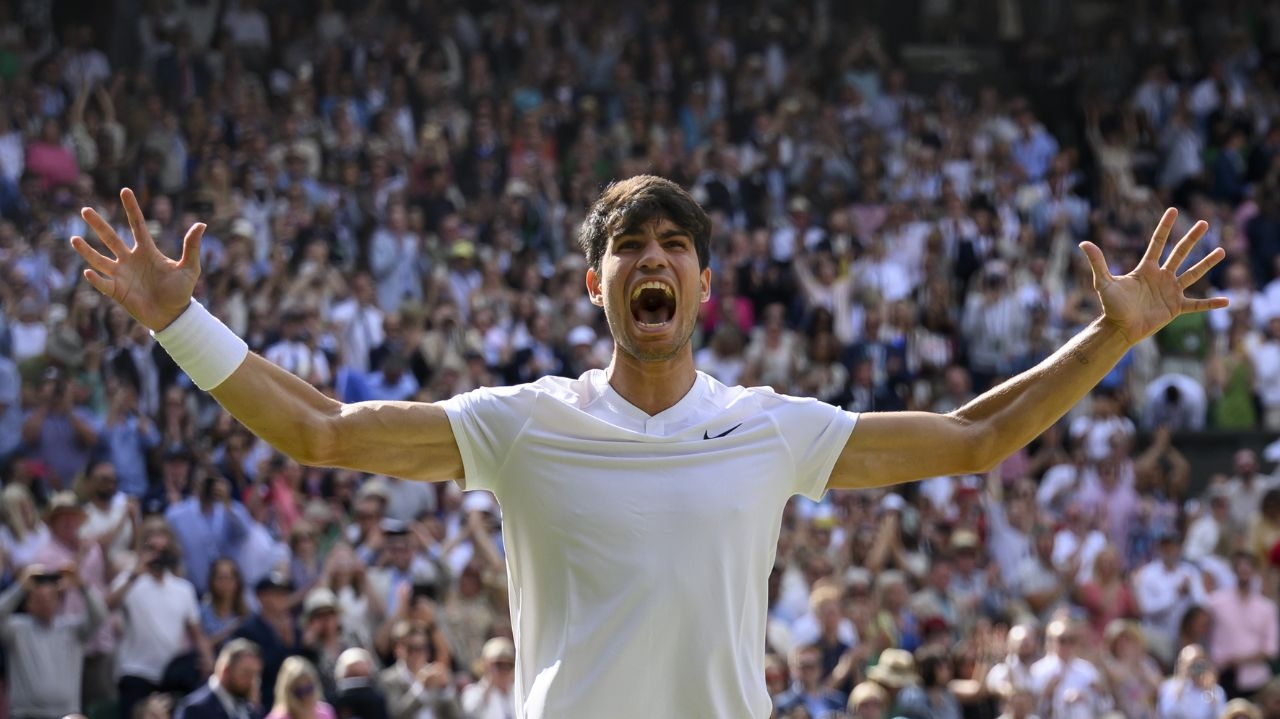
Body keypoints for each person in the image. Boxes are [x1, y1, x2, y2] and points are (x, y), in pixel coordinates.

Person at [71, 179, 1227, 719]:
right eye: (629, 245)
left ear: (705, 284)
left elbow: (977, 437)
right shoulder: (522, 421)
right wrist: (180, 317)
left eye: (673, 243)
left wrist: (1108, 333)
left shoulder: (774, 425)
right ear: (596, 281)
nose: (651, 259)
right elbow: (317, 430)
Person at [0, 563, 107, 719]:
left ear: (58, 601)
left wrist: (82, 585)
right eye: (39, 598)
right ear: (29, 603)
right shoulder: (17, 629)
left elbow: (101, 615)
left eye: (50, 597)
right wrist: (20, 587)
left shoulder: (72, 629)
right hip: (26, 714)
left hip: (66, 715)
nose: (45, 603)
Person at [173, 639, 265, 719]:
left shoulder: (250, 709)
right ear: (225, 671)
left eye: (255, 675)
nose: (252, 681)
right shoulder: (195, 710)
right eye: (246, 673)